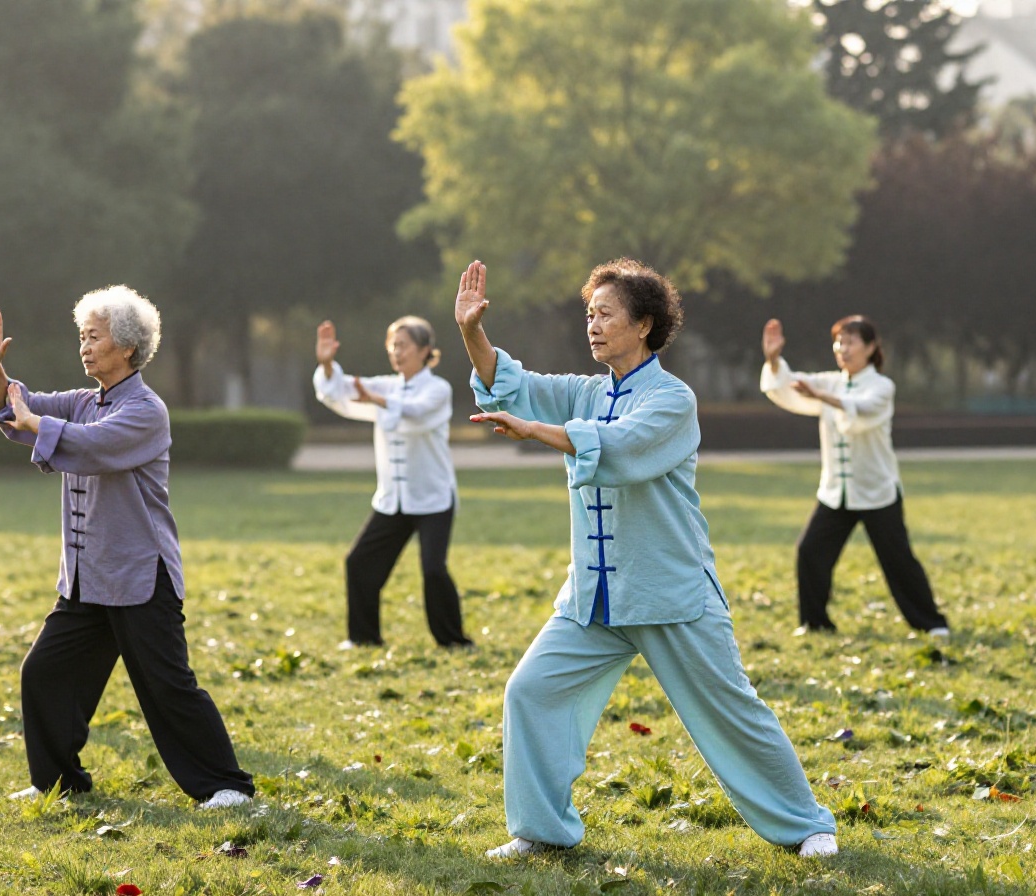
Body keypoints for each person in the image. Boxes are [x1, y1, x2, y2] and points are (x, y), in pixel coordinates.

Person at [456, 259, 838, 859]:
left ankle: (806, 823)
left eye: (606, 313)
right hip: (594, 596)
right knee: (530, 691)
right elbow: (511, 381)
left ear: (644, 324)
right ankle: (542, 832)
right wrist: (471, 331)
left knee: (732, 710)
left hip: (671, 593)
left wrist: (535, 432)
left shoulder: (673, 400)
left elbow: (621, 447)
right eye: (589, 313)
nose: (593, 324)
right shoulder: (586, 392)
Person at [0, 289, 254, 809]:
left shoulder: (146, 411)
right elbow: (18, 410)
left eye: (95, 336)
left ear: (126, 346)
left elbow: (94, 447)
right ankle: (58, 781)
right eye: (81, 336)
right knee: (44, 672)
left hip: (139, 575)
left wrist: (36, 423)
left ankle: (226, 786)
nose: (84, 347)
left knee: (167, 686)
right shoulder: (84, 402)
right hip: (86, 578)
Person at [760, 316, 950, 637]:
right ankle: (815, 623)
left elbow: (862, 411)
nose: (842, 349)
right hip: (836, 491)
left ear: (871, 347)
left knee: (899, 561)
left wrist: (820, 397)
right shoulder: (831, 382)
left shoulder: (881, 387)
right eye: (839, 342)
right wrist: (774, 359)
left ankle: (931, 623)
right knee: (810, 551)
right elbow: (789, 385)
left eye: (850, 342)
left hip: (877, 491)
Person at [313, 316, 471, 648]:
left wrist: (376, 400)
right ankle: (364, 638)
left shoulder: (438, 389)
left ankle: (454, 641)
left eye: (403, 345)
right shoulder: (386, 386)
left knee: (433, 570)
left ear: (425, 350)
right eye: (391, 346)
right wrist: (328, 366)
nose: (395, 352)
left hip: (432, 499)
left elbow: (415, 412)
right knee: (358, 563)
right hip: (392, 500)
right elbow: (341, 391)